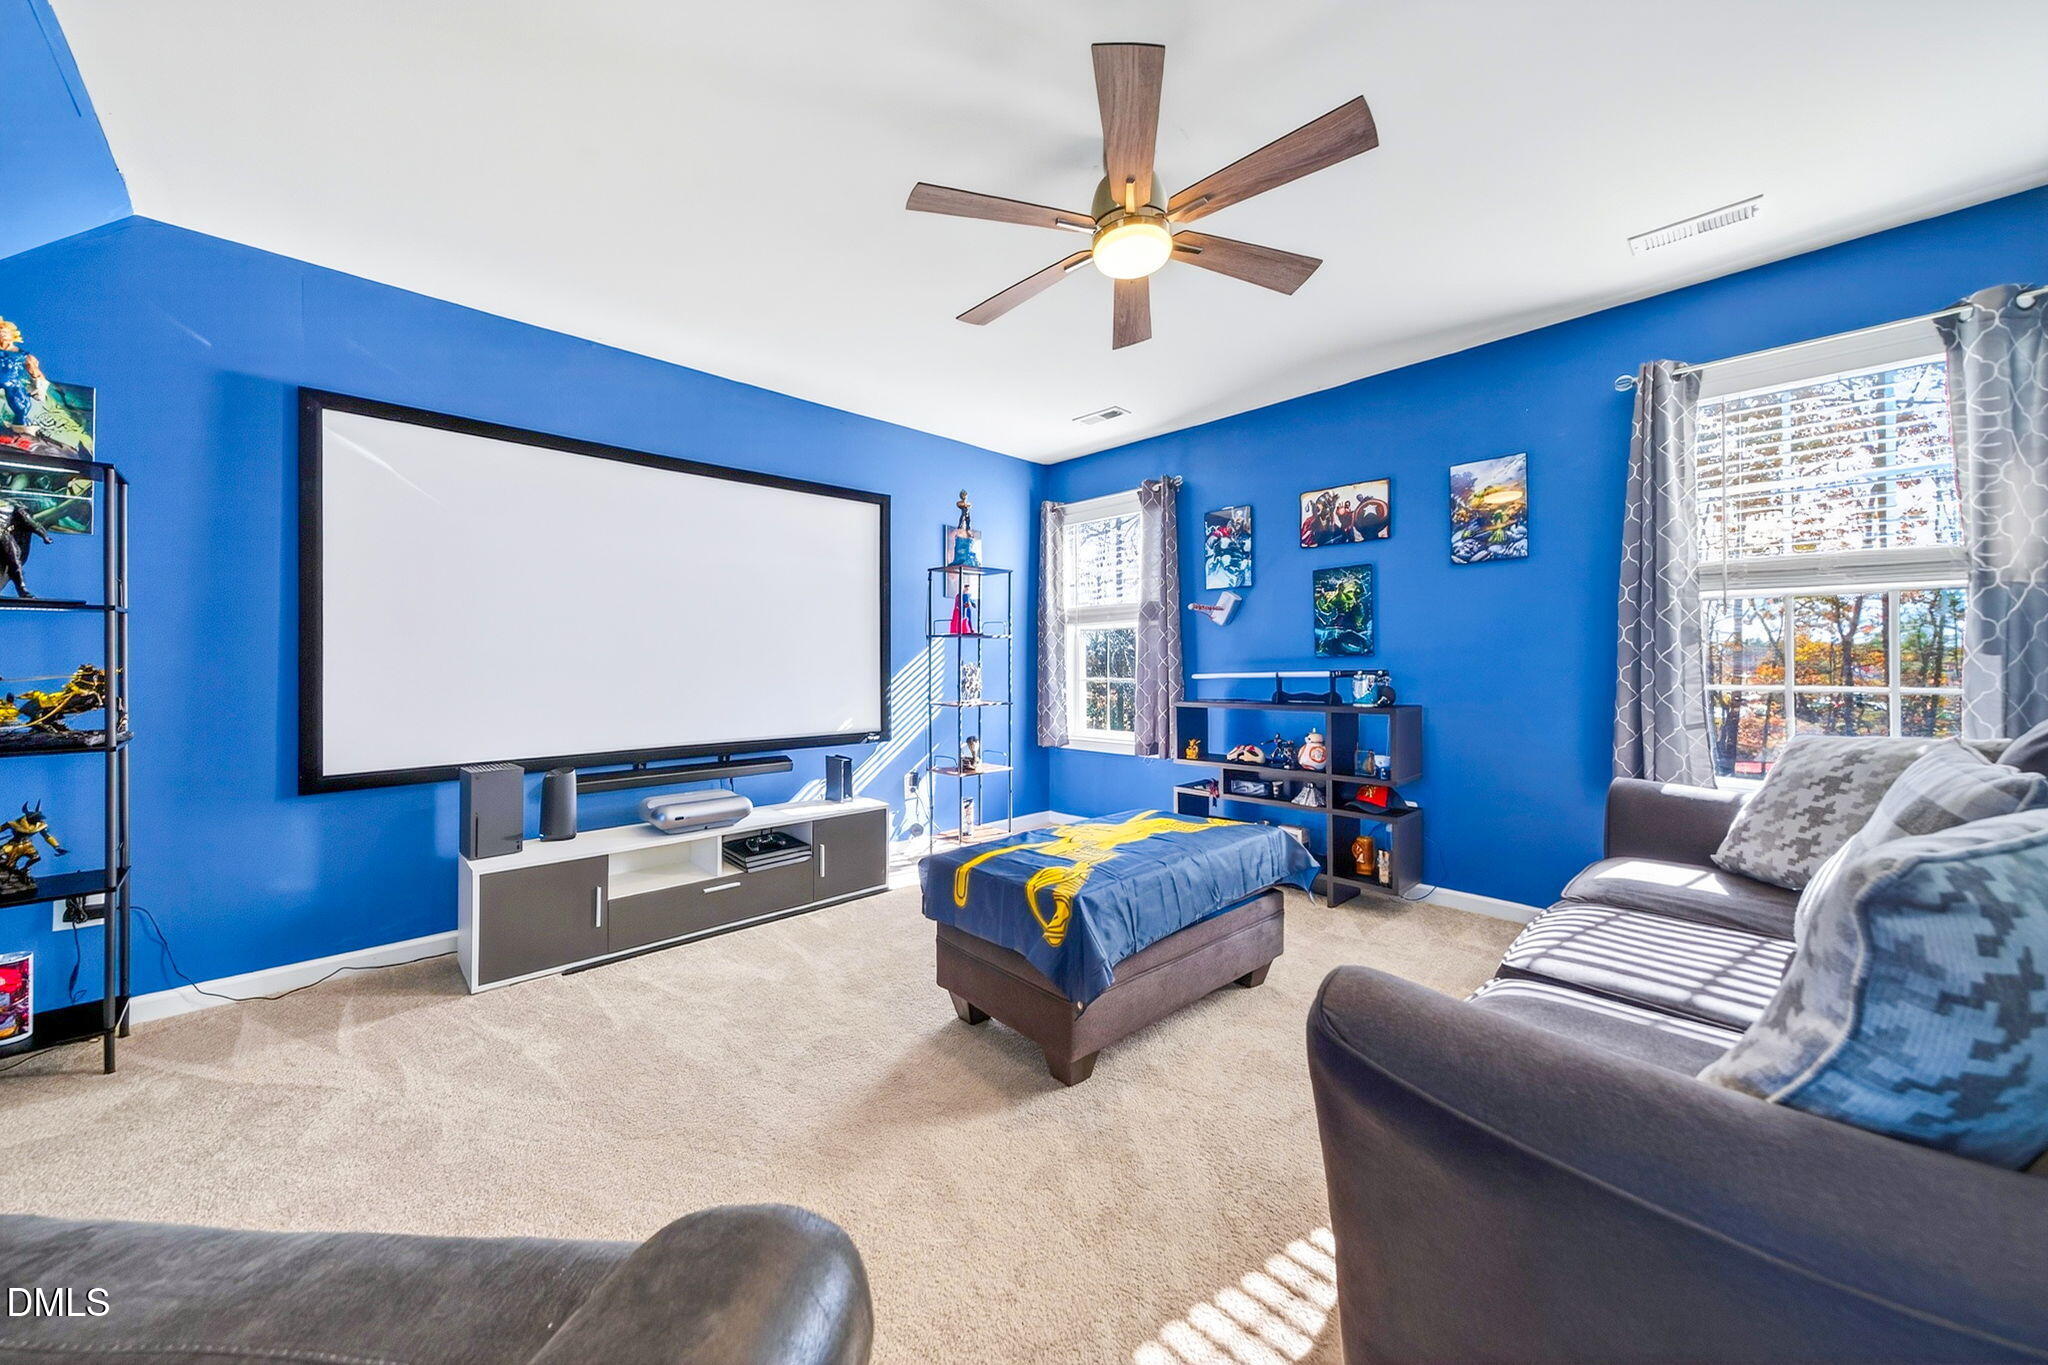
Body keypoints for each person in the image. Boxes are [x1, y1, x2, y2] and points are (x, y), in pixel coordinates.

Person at [0, 319, 48, 433]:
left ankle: (20, 427)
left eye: (4, 331)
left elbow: (34, 370)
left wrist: (39, 385)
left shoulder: (22, 355)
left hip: (12, 382)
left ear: (13, 335)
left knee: (22, 406)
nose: (1, 333)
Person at [0, 498, 52, 598]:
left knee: (14, 562)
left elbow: (30, 522)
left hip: (4, 537)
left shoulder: (12, 505)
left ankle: (22, 590)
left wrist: (44, 535)